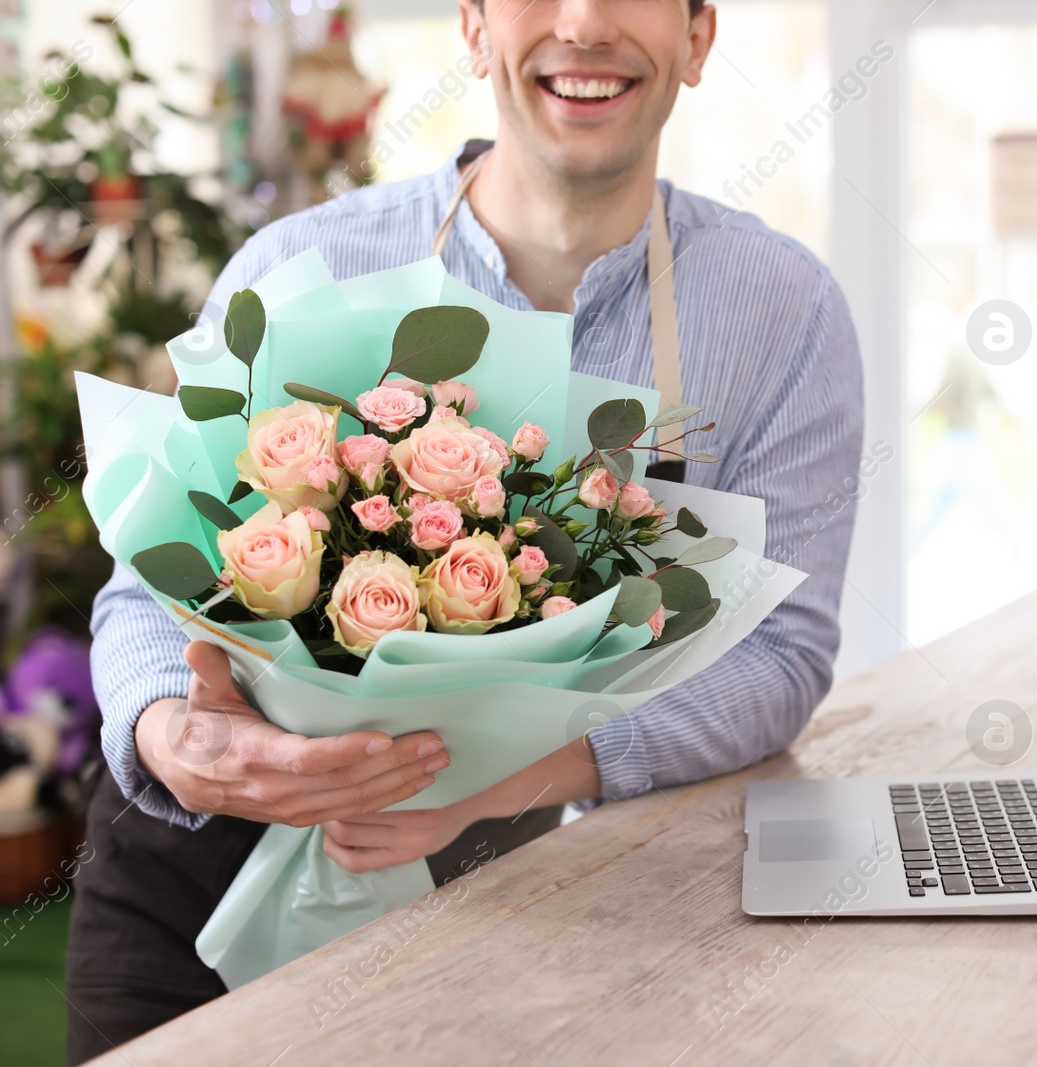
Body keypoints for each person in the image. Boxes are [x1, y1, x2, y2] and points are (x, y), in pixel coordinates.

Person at [64, 1, 864, 1060]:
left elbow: (782, 652)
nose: (582, 21)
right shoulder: (299, 265)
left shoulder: (781, 312)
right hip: (195, 854)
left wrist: (510, 781)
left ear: (699, 37)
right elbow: (145, 585)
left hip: (494, 875)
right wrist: (176, 734)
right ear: (476, 28)